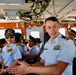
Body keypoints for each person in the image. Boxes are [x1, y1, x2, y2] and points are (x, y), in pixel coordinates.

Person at [7, 17, 76, 75]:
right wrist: (28, 66)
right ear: (46, 29)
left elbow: (58, 70)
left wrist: (29, 69)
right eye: (49, 27)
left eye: (54, 26)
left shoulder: (67, 43)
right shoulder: (48, 44)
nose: (52, 30)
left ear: (59, 27)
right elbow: (41, 63)